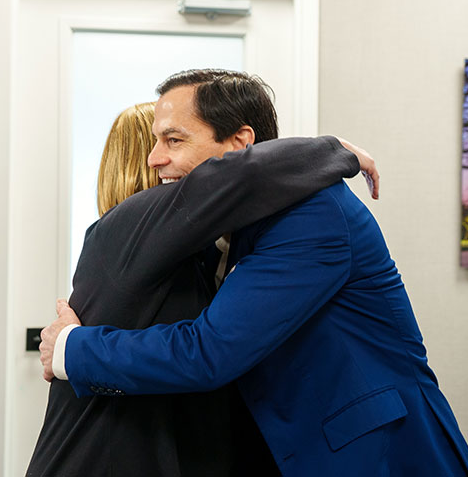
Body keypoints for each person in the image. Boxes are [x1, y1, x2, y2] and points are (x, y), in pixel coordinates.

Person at [40, 69, 468, 477]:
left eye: (173, 140)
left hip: (374, 454)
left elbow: (210, 352)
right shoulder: (219, 233)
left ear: (240, 145)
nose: (154, 158)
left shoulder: (313, 215)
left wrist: (72, 349)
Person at [27, 98, 371, 476]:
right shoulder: (132, 227)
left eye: (174, 141)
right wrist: (327, 151)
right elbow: (246, 176)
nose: (160, 158)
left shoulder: (168, 254)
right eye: (161, 142)